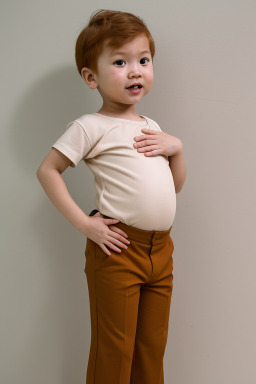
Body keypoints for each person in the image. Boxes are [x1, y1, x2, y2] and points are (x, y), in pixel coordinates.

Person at [37, 9, 186, 384]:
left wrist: (177, 149)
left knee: (151, 346)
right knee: (115, 349)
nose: (135, 70)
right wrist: (85, 224)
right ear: (91, 77)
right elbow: (47, 170)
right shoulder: (90, 127)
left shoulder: (152, 127)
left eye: (143, 60)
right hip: (120, 251)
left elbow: (174, 186)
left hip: (161, 251)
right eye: (120, 62)